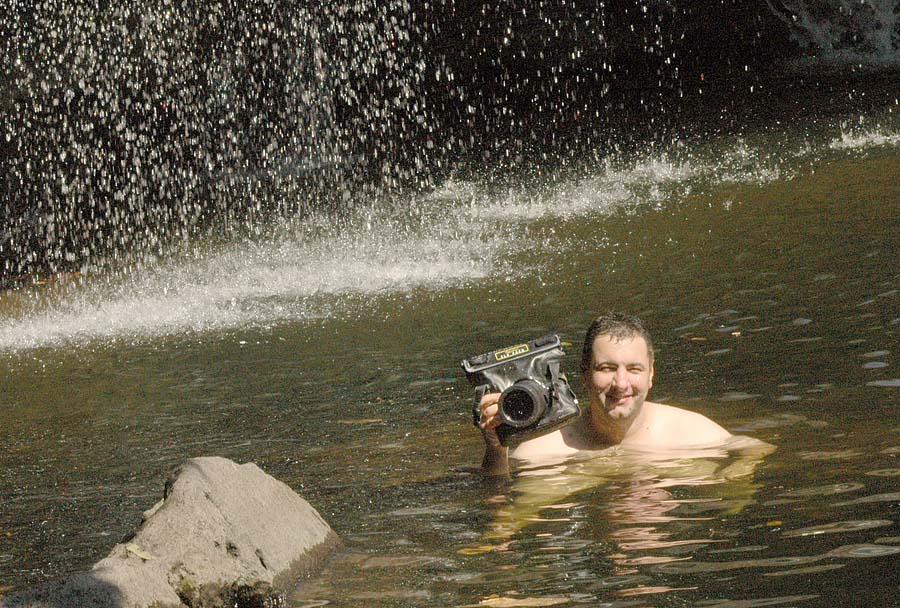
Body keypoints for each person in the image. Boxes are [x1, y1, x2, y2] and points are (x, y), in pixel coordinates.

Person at [477, 312, 742, 475]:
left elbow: (751, 452)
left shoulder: (691, 432)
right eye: (607, 368)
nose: (621, 383)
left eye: (634, 369)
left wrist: (735, 479)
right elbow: (503, 507)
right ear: (584, 375)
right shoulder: (544, 450)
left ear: (651, 374)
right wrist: (496, 450)